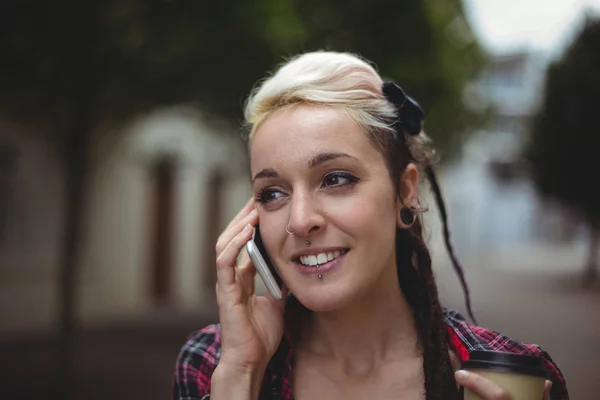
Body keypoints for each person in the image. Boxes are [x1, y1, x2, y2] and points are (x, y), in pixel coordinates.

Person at [172, 51, 569, 400]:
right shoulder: (212, 363)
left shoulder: (512, 378)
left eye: (336, 179)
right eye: (272, 193)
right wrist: (241, 376)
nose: (299, 220)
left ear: (405, 191)